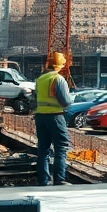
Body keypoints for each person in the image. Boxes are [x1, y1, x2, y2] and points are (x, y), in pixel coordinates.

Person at [34, 53, 73, 186]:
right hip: (55, 116)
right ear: (60, 65)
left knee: (43, 149)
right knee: (61, 148)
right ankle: (59, 179)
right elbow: (66, 102)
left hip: (40, 117)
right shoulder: (58, 79)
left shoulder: (40, 79)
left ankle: (43, 180)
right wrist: (72, 98)